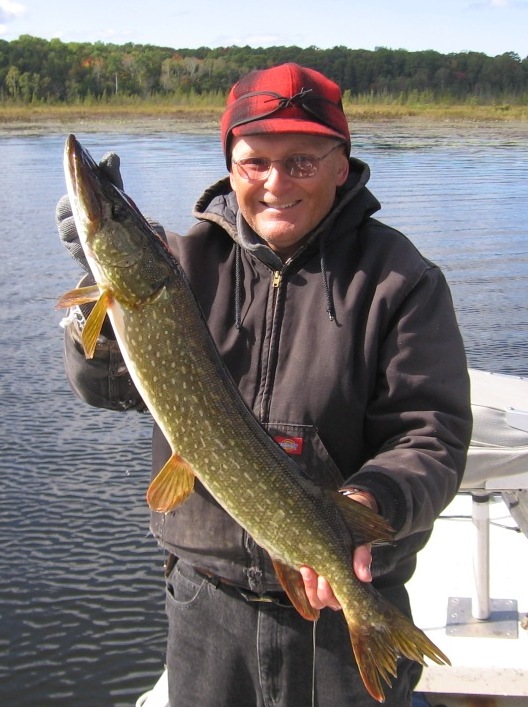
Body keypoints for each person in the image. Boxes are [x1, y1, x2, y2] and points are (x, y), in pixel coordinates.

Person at [57, 63, 472, 707]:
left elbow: (431, 434)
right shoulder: (181, 263)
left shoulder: (400, 281)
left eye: (303, 161)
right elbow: (106, 387)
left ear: (342, 164)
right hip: (205, 606)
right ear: (231, 166)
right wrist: (97, 307)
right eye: (255, 163)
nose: (277, 183)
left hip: (337, 610)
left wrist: (372, 504)